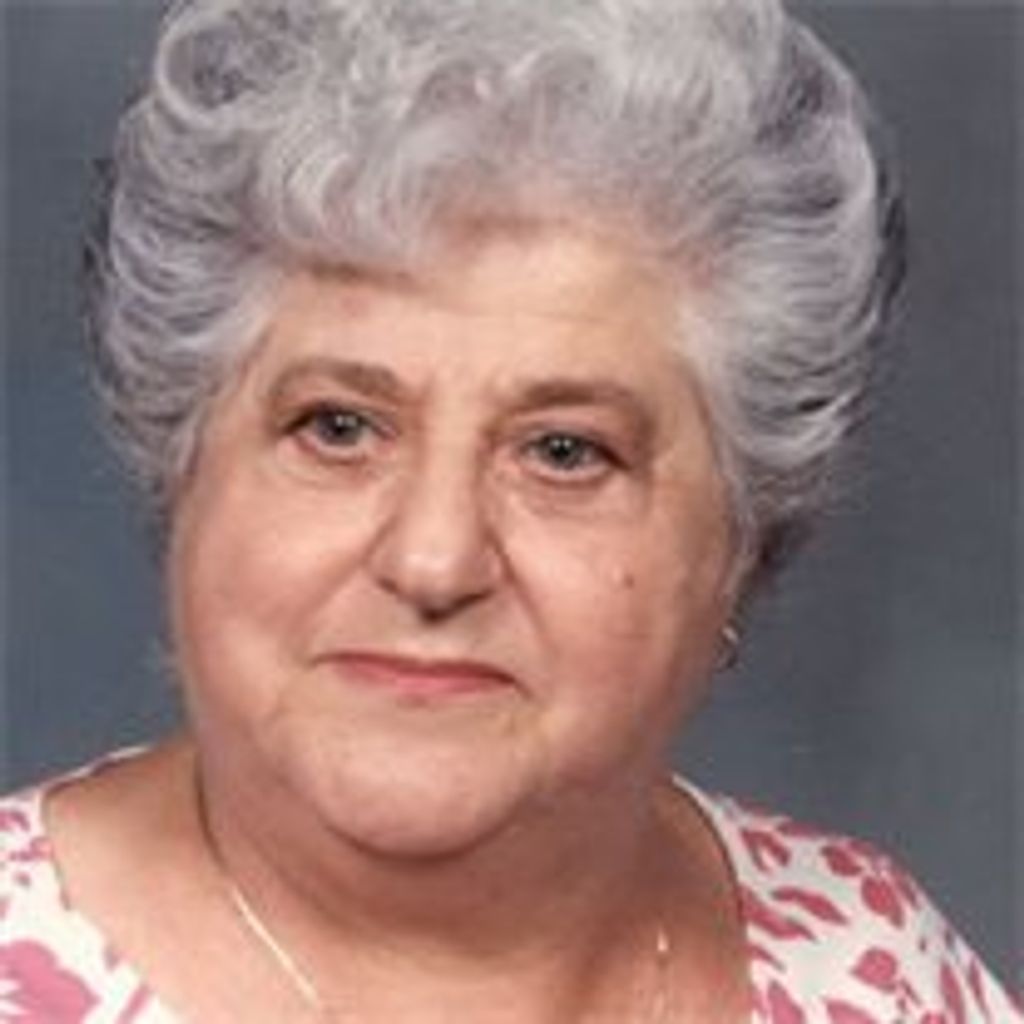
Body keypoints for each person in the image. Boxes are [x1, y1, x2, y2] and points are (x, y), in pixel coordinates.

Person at [1, 0, 1018, 1020]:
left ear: (736, 540)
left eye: (564, 452)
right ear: (185, 467)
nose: (434, 560)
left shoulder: (879, 967)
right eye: (338, 428)